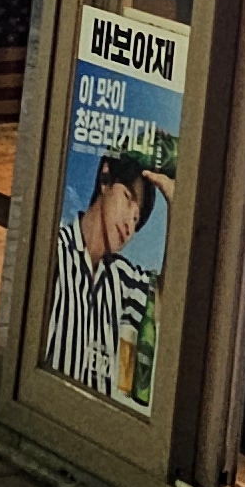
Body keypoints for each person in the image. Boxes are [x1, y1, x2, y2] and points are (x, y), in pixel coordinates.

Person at [41, 151, 167, 404]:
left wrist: (175, 201)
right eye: (127, 198)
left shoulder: (122, 278)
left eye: (136, 220)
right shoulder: (54, 252)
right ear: (105, 179)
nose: (129, 224)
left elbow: (167, 298)